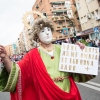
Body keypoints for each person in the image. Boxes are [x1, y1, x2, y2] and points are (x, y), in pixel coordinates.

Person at [0, 18, 96, 100]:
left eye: (48, 29)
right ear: (37, 36)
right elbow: (17, 72)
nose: (47, 33)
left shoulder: (64, 49)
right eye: (42, 31)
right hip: (46, 94)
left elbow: (81, 67)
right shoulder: (32, 55)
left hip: (70, 91)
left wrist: (81, 51)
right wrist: (5, 58)